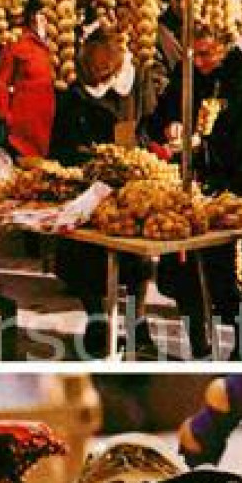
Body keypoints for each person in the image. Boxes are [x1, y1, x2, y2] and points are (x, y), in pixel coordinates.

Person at [148, 23, 242, 357]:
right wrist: (168, 126)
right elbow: (159, 116)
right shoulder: (185, 76)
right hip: (187, 191)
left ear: (225, 46)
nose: (199, 61)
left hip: (233, 191)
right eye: (194, 53)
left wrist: (203, 147)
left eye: (206, 53)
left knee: (229, 279)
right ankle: (198, 343)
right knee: (183, 276)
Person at [49, 29, 156, 357]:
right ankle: (98, 320)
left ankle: (137, 324)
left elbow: (148, 127)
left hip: (128, 186)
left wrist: (139, 153)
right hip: (84, 186)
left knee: (135, 259)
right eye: (92, 70)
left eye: (104, 69)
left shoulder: (136, 85)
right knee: (82, 260)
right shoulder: (73, 95)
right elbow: (60, 142)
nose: (98, 76)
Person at [0, 0, 57, 158]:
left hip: (45, 121)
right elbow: (2, 81)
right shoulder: (17, 41)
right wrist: (4, 114)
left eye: (46, 16)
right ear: (31, 16)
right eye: (40, 15)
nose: (43, 20)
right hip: (22, 123)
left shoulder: (50, 44)